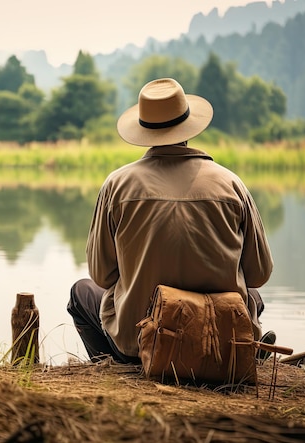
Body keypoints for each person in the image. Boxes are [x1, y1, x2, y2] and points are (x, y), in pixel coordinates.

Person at [67, 78, 274, 364]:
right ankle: (247, 349)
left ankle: (113, 367)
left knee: (81, 292)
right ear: (189, 127)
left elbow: (101, 275)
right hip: (218, 346)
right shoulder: (232, 184)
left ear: (143, 131)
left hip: (139, 344)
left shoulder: (117, 186)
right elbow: (260, 273)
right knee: (252, 294)